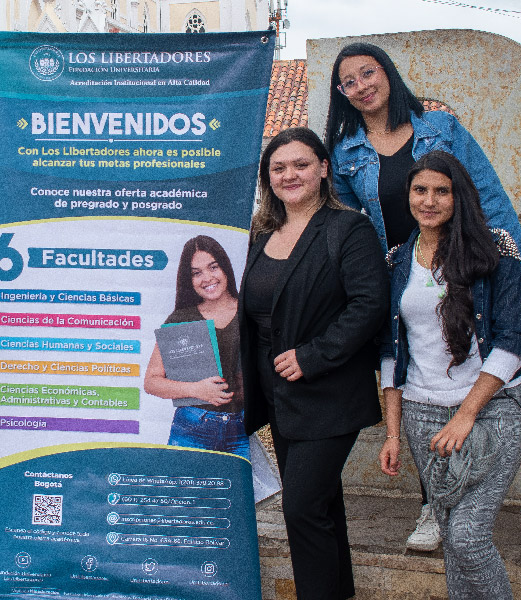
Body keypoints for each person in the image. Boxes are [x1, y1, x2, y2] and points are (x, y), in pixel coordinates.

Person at [325, 41, 521, 551]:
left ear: (387, 73)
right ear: (342, 94)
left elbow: (488, 196)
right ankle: (433, 506)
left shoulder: (440, 128)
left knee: (504, 379)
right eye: (348, 82)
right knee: (425, 393)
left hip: (468, 268)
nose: (361, 86)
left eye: (368, 72)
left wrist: (511, 270)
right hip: (408, 275)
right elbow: (351, 229)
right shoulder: (345, 154)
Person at [239, 127, 388, 600]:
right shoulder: (261, 234)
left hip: (329, 391)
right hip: (278, 394)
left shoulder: (348, 229)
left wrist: (313, 356)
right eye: (278, 167)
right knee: (322, 506)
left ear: (323, 168)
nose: (290, 175)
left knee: (301, 508)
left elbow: (370, 304)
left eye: (301, 164)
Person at [378, 150, 521, 598]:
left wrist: (466, 415)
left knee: (467, 537)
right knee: (451, 535)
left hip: (493, 409)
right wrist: (392, 433)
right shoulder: (397, 260)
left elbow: (515, 337)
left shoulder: (495, 247)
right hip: (423, 414)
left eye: (441, 191)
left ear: (458, 196)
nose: (429, 201)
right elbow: (391, 352)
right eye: (420, 190)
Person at [144, 235, 248, 459]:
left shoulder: (249, 311)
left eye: (213, 267)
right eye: (196, 273)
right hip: (192, 429)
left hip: (242, 430)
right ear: (188, 279)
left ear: (225, 268)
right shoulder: (182, 319)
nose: (207, 278)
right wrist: (196, 390)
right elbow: (151, 382)